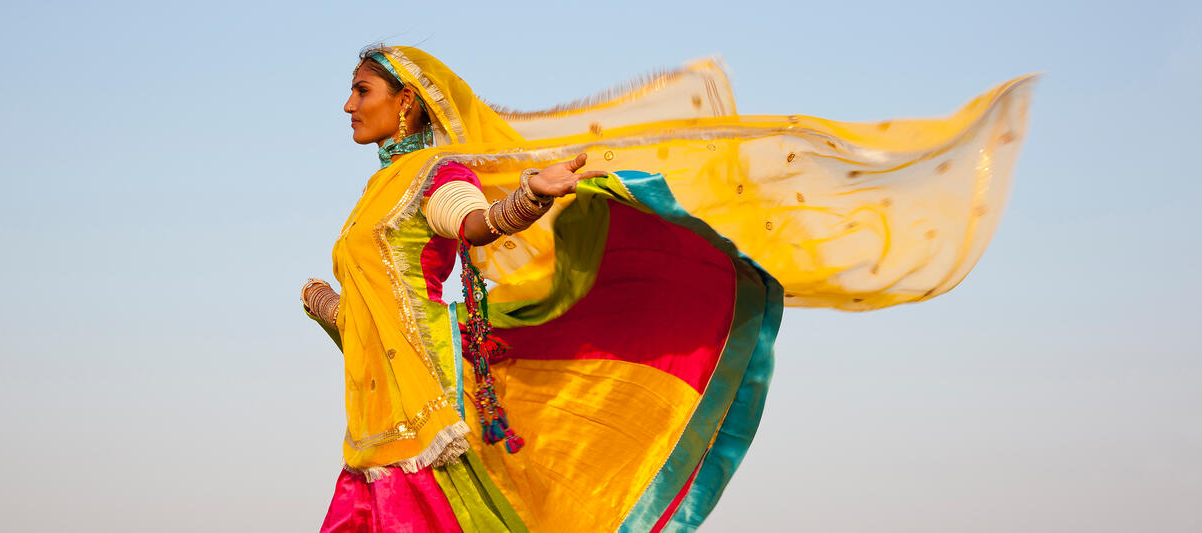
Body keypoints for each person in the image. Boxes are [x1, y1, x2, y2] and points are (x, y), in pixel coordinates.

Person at [302, 45, 1035, 532]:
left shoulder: (432, 178)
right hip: (374, 420)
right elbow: (381, 315)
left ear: (408, 105)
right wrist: (337, 312)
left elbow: (475, 225)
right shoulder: (373, 197)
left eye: (360, 90)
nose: (345, 105)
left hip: (432, 415)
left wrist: (528, 196)